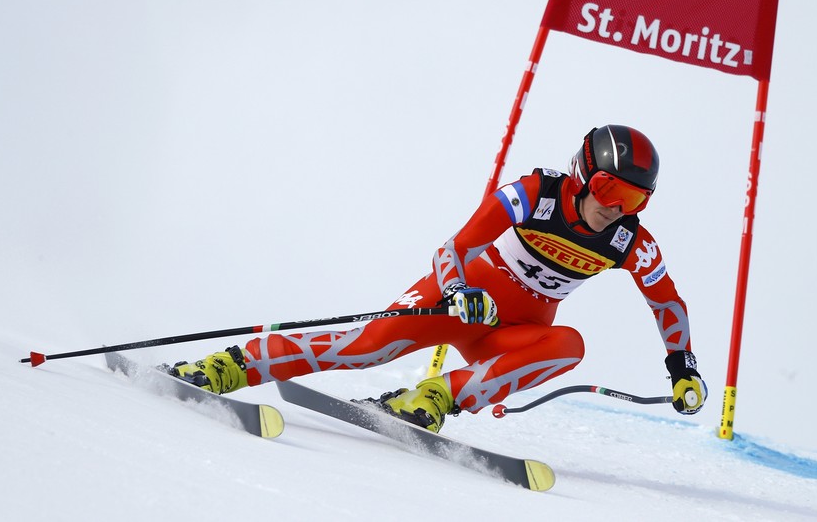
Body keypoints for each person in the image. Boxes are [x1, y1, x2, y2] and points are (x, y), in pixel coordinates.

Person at [171, 124, 707, 432]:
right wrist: (457, 291)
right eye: (612, 189)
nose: (617, 207)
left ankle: (431, 398)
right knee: (367, 347)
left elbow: (668, 305)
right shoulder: (535, 194)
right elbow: (454, 247)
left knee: (569, 345)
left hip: (505, 333)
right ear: (585, 174)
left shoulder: (629, 241)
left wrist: (682, 366)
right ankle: (232, 364)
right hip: (463, 299)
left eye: (635, 199)